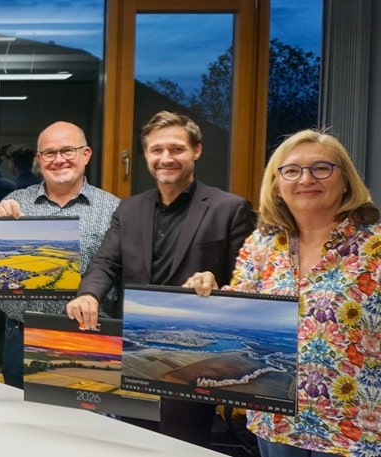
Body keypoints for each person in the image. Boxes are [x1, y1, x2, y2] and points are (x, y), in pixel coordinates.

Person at [185, 129, 381, 457]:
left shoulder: (374, 246)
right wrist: (209, 293)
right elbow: (239, 312)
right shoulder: (262, 244)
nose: (306, 179)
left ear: (345, 179)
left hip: (356, 428)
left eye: (321, 168)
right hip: (276, 424)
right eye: (292, 170)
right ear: (277, 185)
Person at [66, 111, 256, 448]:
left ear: (196, 150)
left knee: (183, 447)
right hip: (134, 352)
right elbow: (106, 263)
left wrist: (219, 283)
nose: (166, 158)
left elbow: (249, 285)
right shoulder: (129, 209)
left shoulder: (230, 209)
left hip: (193, 358)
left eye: (176, 149)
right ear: (145, 155)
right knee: (132, 444)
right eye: (156, 150)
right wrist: (89, 294)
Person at [0, 121, 120, 389]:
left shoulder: (113, 209)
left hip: (86, 341)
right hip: (21, 340)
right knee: (22, 428)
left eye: (68, 151)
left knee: (81, 428)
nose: (59, 160)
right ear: (38, 160)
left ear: (86, 154)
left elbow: (119, 271)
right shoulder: (14, 203)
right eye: (49, 153)